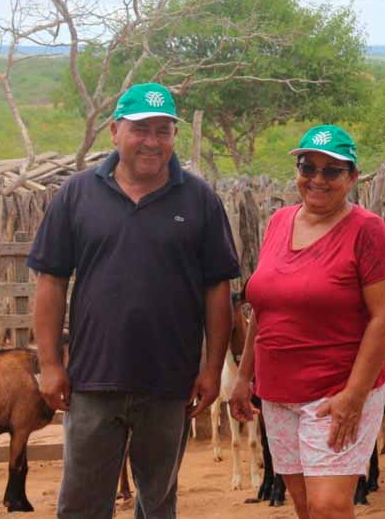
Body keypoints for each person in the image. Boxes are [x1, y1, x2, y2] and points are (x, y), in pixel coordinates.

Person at [30, 82, 240, 519]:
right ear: (114, 131)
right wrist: (50, 364)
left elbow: (218, 289)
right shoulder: (77, 194)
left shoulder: (199, 199)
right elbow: (51, 281)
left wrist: (211, 367)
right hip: (91, 380)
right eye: (140, 128)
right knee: (81, 505)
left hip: (170, 384)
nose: (152, 141)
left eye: (163, 130)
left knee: (159, 503)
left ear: (174, 136)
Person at [229, 124, 385, 519]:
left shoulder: (367, 230)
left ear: (352, 177)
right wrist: (243, 378)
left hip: (335, 389)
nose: (317, 180)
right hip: (278, 392)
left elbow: (384, 316)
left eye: (331, 171)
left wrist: (354, 396)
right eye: (308, 168)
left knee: (329, 508)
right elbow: (264, 307)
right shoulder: (279, 222)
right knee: (306, 507)